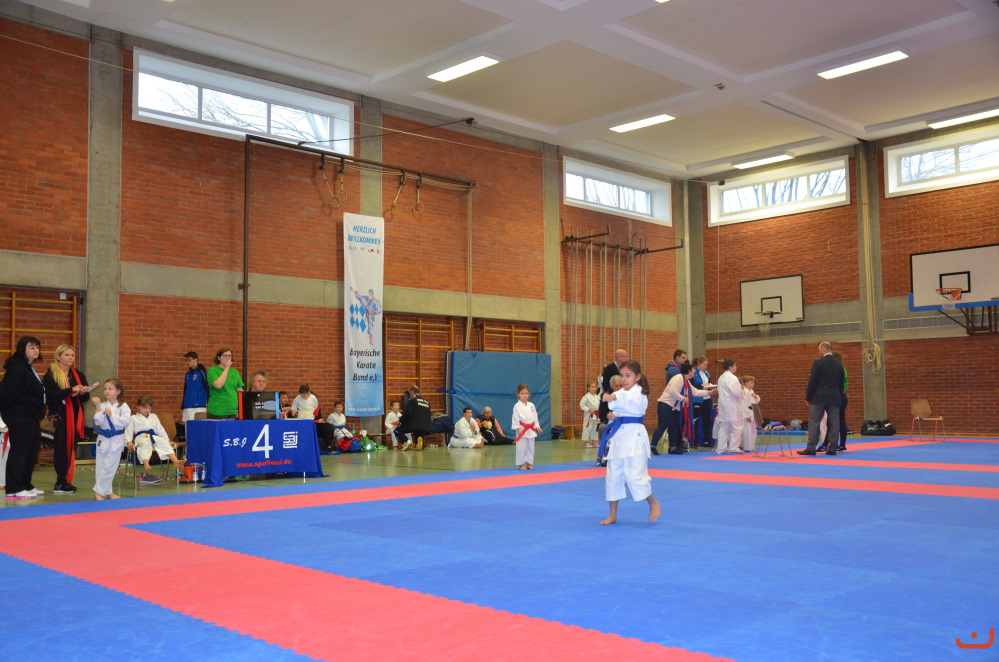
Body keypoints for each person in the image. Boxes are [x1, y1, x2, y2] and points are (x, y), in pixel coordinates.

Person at [599, 360, 660, 525]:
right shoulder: (622, 393)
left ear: (637, 377)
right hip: (619, 436)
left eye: (628, 375)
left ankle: (653, 502)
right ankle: (612, 515)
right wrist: (613, 416)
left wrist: (611, 397)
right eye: (621, 375)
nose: (624, 379)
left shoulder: (638, 392)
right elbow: (620, 409)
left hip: (634, 437)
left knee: (634, 476)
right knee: (613, 476)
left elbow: (627, 401)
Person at [43, 343, 96, 494]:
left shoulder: (78, 374)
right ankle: (60, 481)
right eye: (67, 355)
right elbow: (51, 397)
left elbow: (85, 399)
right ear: (58, 356)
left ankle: (66, 481)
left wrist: (83, 392)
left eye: (72, 355)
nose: (70, 358)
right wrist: (70, 390)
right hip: (59, 417)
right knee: (61, 449)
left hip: (76, 416)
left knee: (71, 448)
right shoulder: (51, 374)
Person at [0, 336, 47, 500]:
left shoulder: (27, 368)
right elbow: (9, 394)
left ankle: (26, 484)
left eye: (37, 347)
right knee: (20, 451)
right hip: (20, 416)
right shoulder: (17, 369)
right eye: (32, 347)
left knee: (31, 450)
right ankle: (14, 488)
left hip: (30, 416)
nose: (36, 350)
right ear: (22, 350)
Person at [654, 361, 712, 455]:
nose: (694, 372)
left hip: (674, 406)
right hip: (666, 404)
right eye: (693, 370)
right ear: (689, 371)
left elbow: (695, 392)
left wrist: (709, 392)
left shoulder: (686, 381)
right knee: (663, 426)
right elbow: (672, 391)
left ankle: (673, 448)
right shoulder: (678, 378)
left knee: (674, 427)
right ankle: (653, 446)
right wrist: (683, 398)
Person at [125, 396, 184, 483]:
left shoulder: (154, 416)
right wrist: (129, 442)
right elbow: (128, 431)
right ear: (138, 407)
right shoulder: (133, 418)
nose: (147, 410)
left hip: (153, 436)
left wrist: (167, 440)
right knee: (145, 444)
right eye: (144, 407)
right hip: (141, 437)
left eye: (149, 407)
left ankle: (175, 461)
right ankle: (146, 463)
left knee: (164, 442)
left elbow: (160, 429)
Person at [799, 342, 844, 456]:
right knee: (834, 423)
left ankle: (811, 448)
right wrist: (838, 396)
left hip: (819, 397)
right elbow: (841, 384)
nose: (819, 352)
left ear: (823, 349)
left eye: (819, 350)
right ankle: (832, 448)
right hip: (834, 397)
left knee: (814, 422)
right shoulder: (839, 365)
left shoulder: (818, 363)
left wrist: (808, 398)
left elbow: (812, 382)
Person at [91, 378, 130, 500]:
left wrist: (111, 415)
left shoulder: (124, 407)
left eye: (110, 389)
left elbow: (125, 422)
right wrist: (98, 407)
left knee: (109, 468)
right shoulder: (102, 405)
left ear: (118, 391)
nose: (107, 391)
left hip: (116, 440)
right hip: (103, 439)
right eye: (105, 389)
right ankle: (108, 492)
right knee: (101, 467)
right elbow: (98, 422)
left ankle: (98, 492)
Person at [818, 351, 849, 452]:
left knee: (831, 422)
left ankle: (825, 444)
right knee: (841, 421)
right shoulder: (843, 369)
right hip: (842, 396)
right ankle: (842, 445)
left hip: (837, 397)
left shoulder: (838, 370)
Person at [714, 358, 745, 454]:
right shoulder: (732, 378)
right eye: (735, 365)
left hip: (723, 405)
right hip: (732, 405)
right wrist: (742, 394)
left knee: (723, 428)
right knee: (737, 427)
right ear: (730, 367)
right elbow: (736, 391)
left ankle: (721, 449)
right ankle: (733, 448)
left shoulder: (721, 377)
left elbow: (719, 390)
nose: (736, 367)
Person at [206, 348, 244, 419]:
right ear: (219, 358)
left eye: (229, 356)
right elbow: (218, 385)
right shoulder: (212, 370)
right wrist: (226, 369)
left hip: (232, 410)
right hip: (217, 410)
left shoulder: (235, 372)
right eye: (224, 355)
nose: (227, 358)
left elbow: (240, 390)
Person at [512, 383, 541, 470]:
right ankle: (521, 464)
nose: (524, 395)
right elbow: (515, 417)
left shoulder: (531, 405)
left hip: (531, 428)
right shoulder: (517, 406)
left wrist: (537, 426)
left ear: (529, 394)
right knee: (521, 447)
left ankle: (529, 463)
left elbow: (535, 417)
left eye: (526, 393)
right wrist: (517, 428)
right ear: (518, 394)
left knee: (531, 447)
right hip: (522, 429)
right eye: (522, 393)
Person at [396, 385, 432, 451]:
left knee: (397, 430)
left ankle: (407, 441)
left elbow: (408, 413)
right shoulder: (427, 402)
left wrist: (400, 420)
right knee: (419, 433)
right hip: (425, 426)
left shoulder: (412, 400)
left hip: (414, 425)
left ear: (412, 392)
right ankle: (420, 444)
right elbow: (429, 415)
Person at [598, 349, 628, 426]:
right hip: (611, 394)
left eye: (626, 356)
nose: (626, 358)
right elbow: (605, 384)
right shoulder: (609, 368)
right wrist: (611, 393)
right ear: (618, 357)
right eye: (625, 356)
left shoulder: (625, 369)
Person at [691, 356, 714, 449]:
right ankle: (694, 441)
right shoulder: (693, 373)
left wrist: (711, 387)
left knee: (707, 420)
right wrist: (702, 385)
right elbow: (692, 386)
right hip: (697, 399)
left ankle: (706, 440)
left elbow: (709, 384)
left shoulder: (707, 373)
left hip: (707, 398)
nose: (705, 366)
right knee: (696, 421)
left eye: (706, 365)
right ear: (698, 364)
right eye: (704, 365)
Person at [181, 351, 209, 422]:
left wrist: (209, 401)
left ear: (195, 359)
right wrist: (183, 405)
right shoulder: (188, 374)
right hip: (188, 405)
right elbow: (185, 390)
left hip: (198, 405)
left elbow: (207, 386)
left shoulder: (201, 372)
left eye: (189, 360)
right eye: (186, 360)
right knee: (187, 426)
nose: (187, 362)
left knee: (197, 426)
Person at [739, 375, 761, 452]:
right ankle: (747, 447)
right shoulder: (744, 392)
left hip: (753, 411)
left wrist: (756, 397)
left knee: (753, 429)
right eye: (751, 382)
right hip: (747, 412)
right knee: (747, 431)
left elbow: (757, 401)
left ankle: (751, 446)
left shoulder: (751, 391)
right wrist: (747, 415)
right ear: (745, 383)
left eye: (753, 382)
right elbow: (743, 405)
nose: (753, 384)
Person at [579, 381, 600, 449]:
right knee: (587, 428)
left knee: (595, 429)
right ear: (588, 388)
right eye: (592, 387)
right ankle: (586, 442)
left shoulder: (598, 397)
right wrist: (589, 409)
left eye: (595, 387)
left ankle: (594, 442)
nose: (594, 389)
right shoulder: (586, 397)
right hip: (589, 415)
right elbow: (582, 405)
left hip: (596, 415)